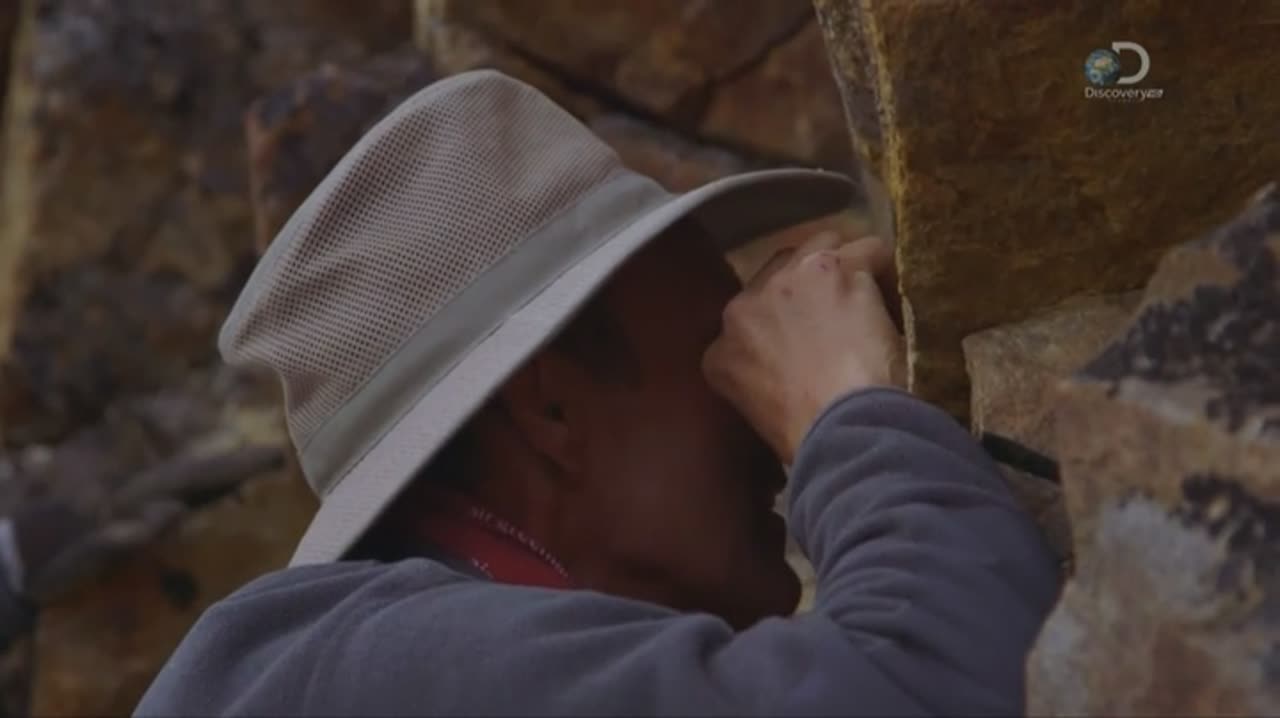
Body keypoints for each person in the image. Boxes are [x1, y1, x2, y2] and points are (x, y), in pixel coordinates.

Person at [135, 70, 1061, 716]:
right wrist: (844, 407)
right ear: (549, 412)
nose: (762, 415)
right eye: (721, 348)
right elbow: (947, 685)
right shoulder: (373, 669)